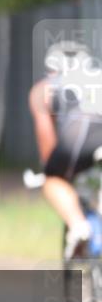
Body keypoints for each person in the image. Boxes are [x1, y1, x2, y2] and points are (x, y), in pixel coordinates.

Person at [29, 40, 102, 258]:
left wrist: (53, 172)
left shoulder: (44, 88)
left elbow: (46, 141)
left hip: (80, 135)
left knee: (52, 179)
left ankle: (79, 227)